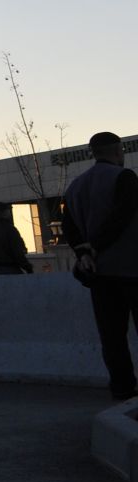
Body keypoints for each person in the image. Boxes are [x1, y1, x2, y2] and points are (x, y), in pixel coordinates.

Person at [62, 131, 138, 400]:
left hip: (98, 273)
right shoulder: (125, 178)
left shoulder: (75, 187)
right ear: (119, 151)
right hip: (131, 268)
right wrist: (97, 244)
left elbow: (69, 227)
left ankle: (122, 387)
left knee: (111, 335)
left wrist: (84, 251)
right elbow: (123, 216)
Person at [0, 203, 33, 275]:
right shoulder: (10, 229)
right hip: (12, 269)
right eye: (8, 210)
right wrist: (28, 268)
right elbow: (17, 251)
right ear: (4, 212)